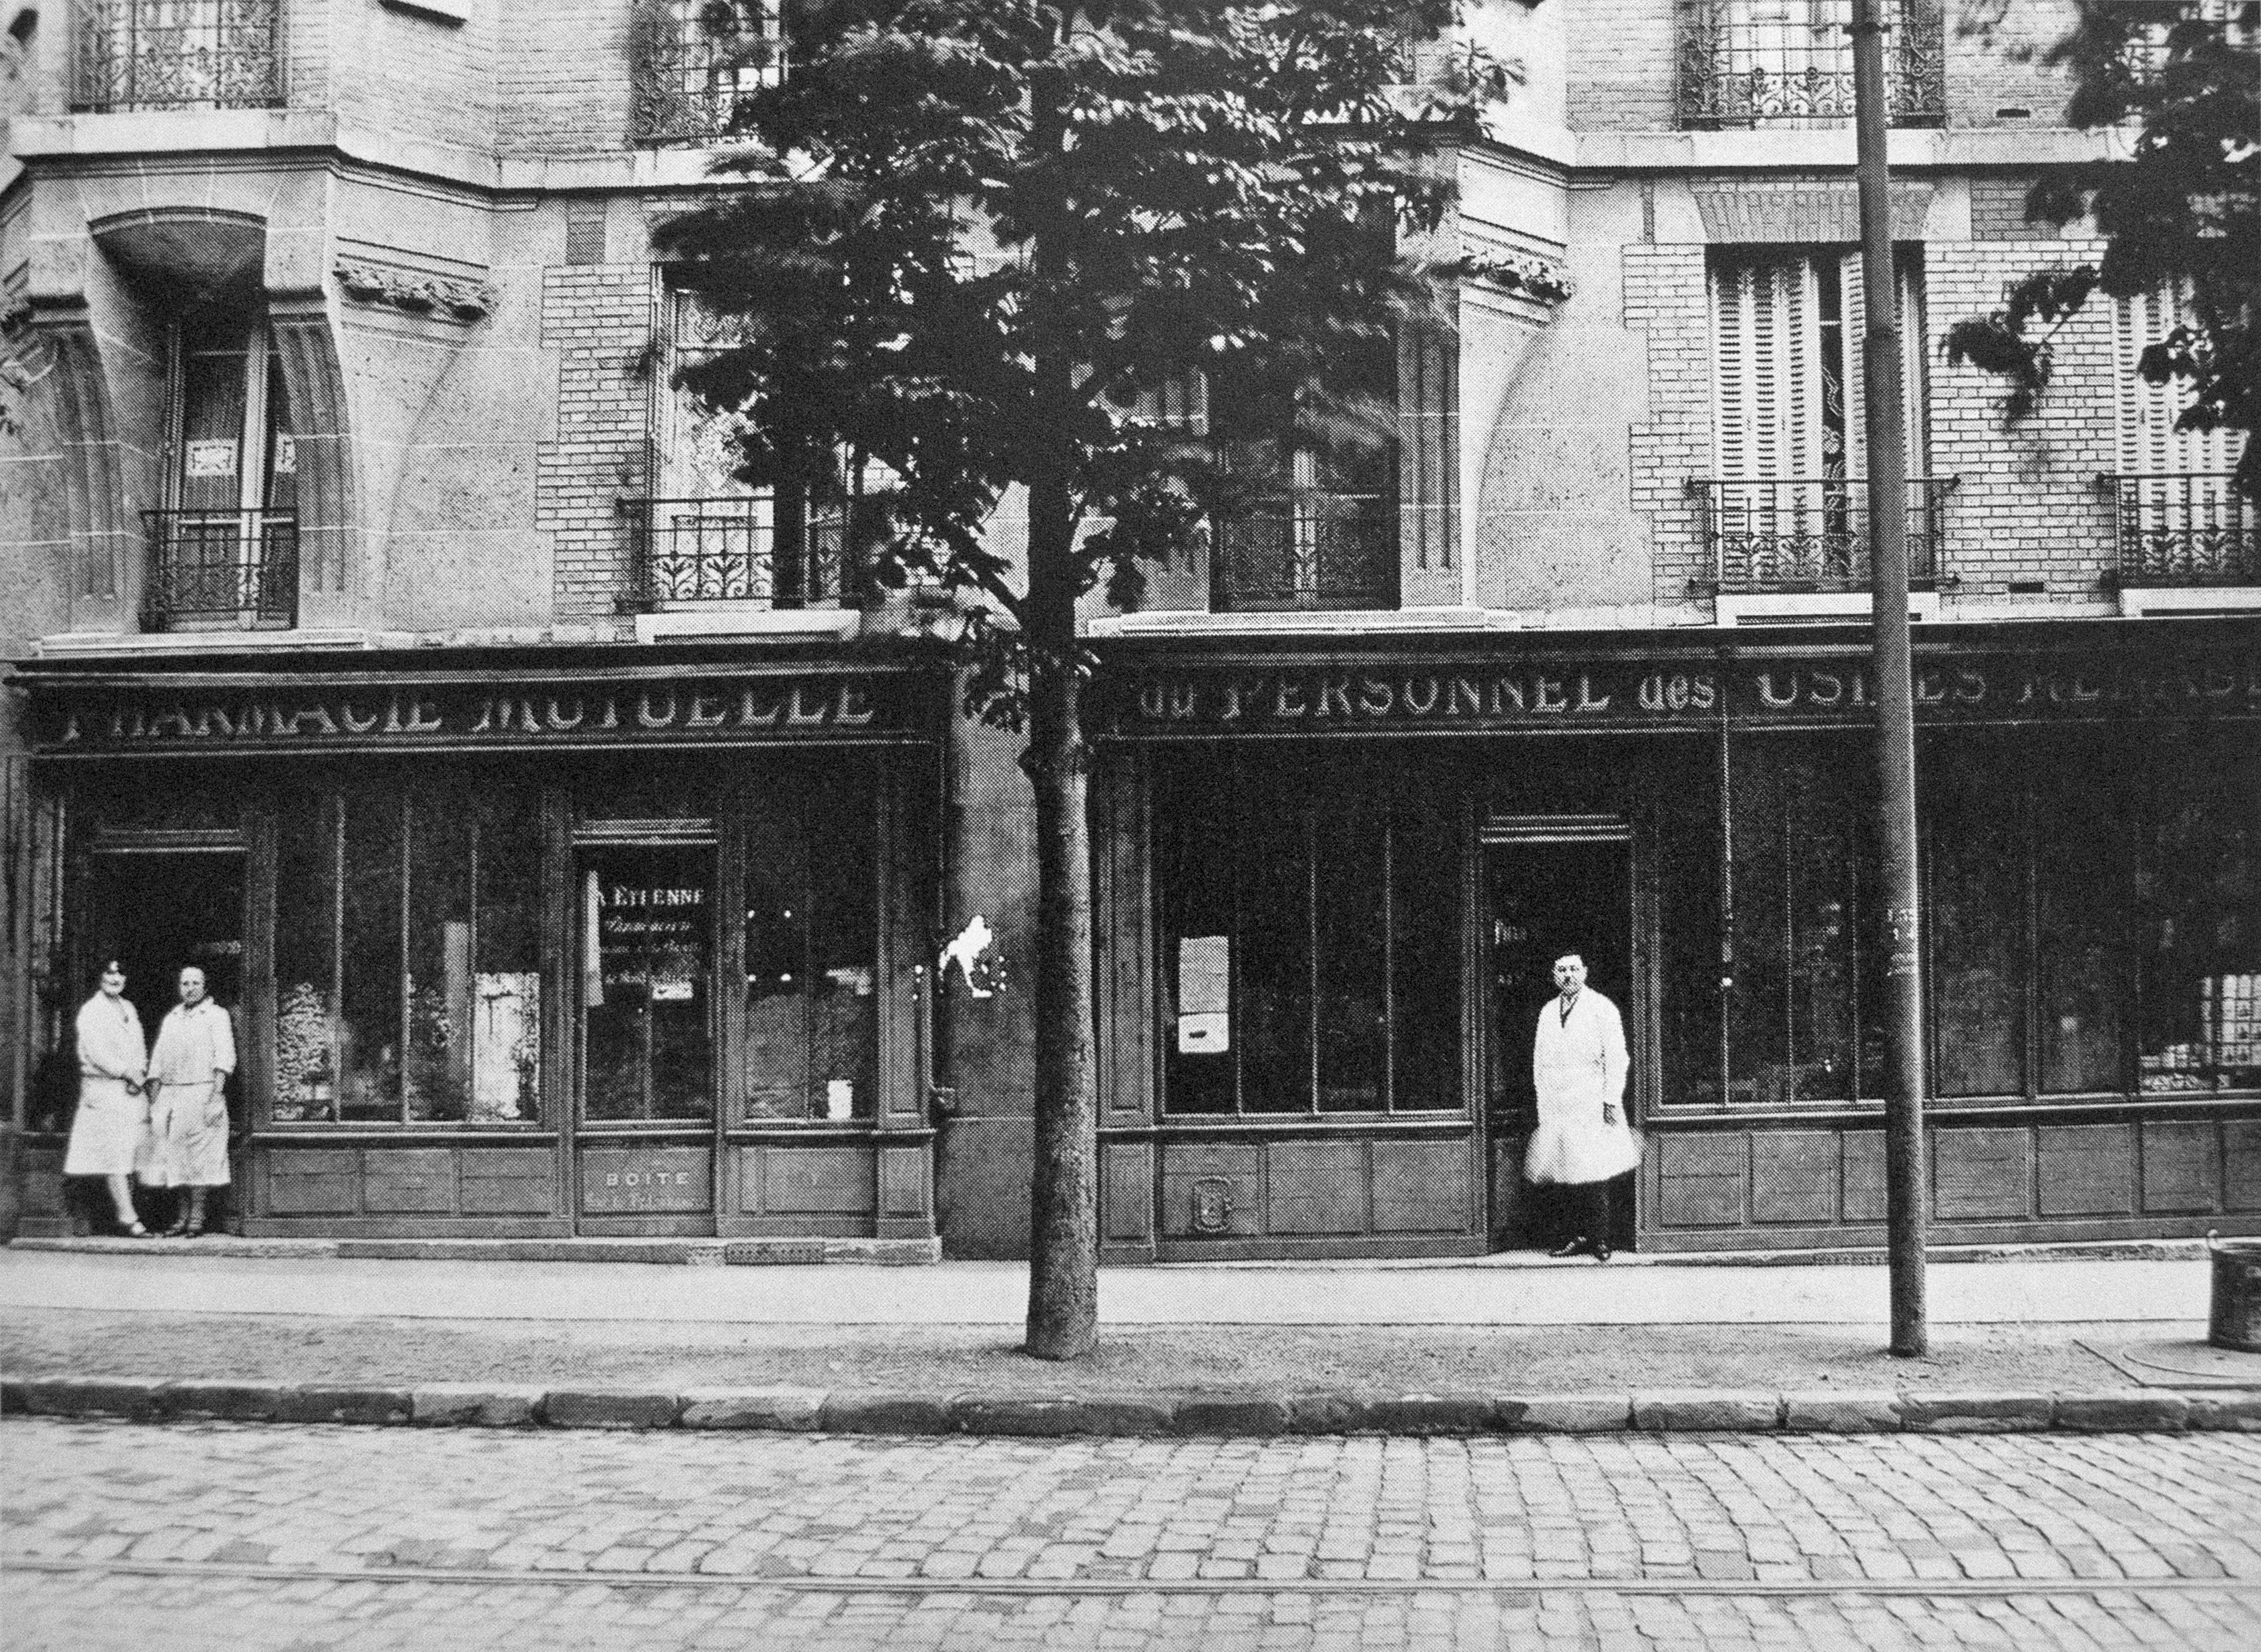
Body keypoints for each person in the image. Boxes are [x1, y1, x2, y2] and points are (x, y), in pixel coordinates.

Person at [1525, 952, 1637, 1261]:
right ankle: (1574, 1236)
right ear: (1554, 974)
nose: (1568, 976)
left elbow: (1618, 1057)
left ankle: (1601, 1239)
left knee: (1595, 1169)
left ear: (1585, 972)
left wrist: (1611, 1099)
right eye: (1562, 970)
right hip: (1559, 1103)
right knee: (1565, 1172)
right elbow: (1540, 1063)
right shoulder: (1548, 1012)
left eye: (1574, 969)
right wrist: (1543, 1104)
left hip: (1592, 1099)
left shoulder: (1602, 1008)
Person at [140, 965, 236, 1239]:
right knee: (175, 1158)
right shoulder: (173, 1017)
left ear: (205, 987)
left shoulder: (217, 1016)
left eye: (195, 983)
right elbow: (157, 1060)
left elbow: (224, 1057)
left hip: (202, 1093)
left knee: (200, 1157)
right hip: (172, 1095)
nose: (190, 988)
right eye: (185, 983)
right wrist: (154, 1099)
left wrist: (216, 1097)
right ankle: (181, 1217)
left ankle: (197, 1218)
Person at [63, 962, 152, 1236]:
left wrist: (140, 1073)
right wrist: (127, 1073)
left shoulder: (128, 1008)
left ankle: (128, 1213)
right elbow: (96, 1052)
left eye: (120, 974)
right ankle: (128, 1219)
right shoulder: (92, 1011)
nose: (115, 979)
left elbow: (139, 1047)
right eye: (109, 973)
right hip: (104, 1089)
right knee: (113, 1154)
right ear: (100, 976)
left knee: (135, 1151)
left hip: (131, 1091)